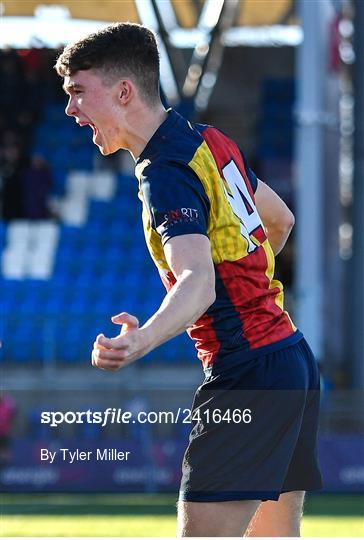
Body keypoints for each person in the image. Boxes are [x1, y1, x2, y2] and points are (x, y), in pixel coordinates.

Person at [55, 22, 322, 537]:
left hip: (248, 375)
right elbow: (280, 220)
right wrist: (250, 290)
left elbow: (199, 285)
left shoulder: (167, 170)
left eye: (78, 93)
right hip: (290, 360)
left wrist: (140, 340)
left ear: (124, 91)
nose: (71, 109)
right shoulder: (208, 142)